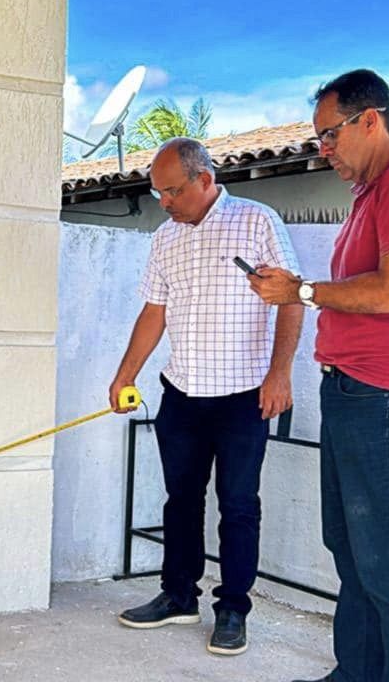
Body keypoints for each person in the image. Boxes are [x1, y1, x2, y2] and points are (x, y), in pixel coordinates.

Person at [249, 69, 389, 682]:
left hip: (386, 396)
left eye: (330, 135)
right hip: (355, 391)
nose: (324, 151)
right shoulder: (375, 192)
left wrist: (303, 290)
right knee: (353, 550)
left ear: (372, 119)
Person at [109, 137, 303, 657]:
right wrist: (125, 374)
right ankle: (178, 596)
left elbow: (290, 299)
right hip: (183, 394)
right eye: (158, 194)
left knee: (238, 506)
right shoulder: (165, 238)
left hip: (243, 396)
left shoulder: (257, 221)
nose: (165, 202)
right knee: (181, 501)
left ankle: (233, 609)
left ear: (204, 179)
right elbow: (155, 312)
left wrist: (279, 374)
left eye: (171, 191)